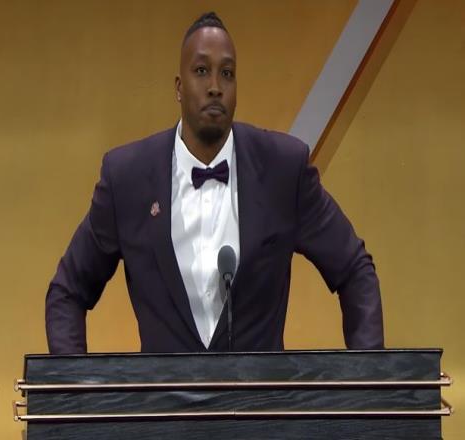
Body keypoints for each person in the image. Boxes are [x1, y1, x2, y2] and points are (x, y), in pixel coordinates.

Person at [46, 12, 384, 354]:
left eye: (227, 73)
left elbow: (354, 269)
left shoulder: (283, 169)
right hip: (162, 392)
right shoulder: (127, 178)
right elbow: (67, 291)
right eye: (201, 70)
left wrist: (369, 377)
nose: (214, 87)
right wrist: (74, 384)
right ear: (179, 88)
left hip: (259, 390)